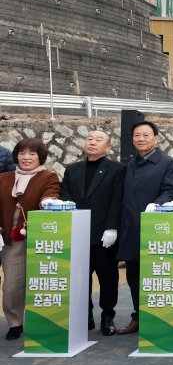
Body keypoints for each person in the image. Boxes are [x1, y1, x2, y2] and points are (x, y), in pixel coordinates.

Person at [59, 130, 125, 336]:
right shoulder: (72, 169)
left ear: (108, 147)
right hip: (78, 233)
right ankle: (85, 315)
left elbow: (118, 199)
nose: (92, 142)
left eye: (98, 140)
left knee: (108, 277)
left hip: (104, 234)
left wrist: (112, 227)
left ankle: (107, 316)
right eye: (89, 139)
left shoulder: (117, 169)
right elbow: (65, 195)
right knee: (80, 277)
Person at [116, 120, 173, 335]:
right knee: (133, 277)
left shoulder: (168, 163)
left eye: (145, 135)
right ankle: (138, 316)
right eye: (137, 135)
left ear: (156, 138)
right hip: (130, 229)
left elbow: (171, 191)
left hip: (154, 229)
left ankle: (158, 317)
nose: (141, 139)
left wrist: (156, 205)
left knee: (155, 276)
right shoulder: (130, 163)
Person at [0, 138, 61, 340]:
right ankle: (15, 322)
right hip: (10, 238)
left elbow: (51, 193)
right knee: (11, 285)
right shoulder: (4, 178)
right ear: (16, 156)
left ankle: (43, 321)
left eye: (32, 154)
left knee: (40, 281)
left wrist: (48, 202)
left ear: (40, 157)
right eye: (22, 153)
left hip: (38, 238)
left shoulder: (49, 176)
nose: (26, 157)